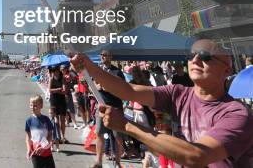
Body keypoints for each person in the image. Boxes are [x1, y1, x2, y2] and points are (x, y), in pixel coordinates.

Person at [71, 39, 253, 168]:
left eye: (205, 56)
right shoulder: (177, 92)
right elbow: (129, 91)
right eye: (192, 54)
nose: (196, 60)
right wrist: (89, 67)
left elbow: (197, 156)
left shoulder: (237, 114)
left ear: (226, 69)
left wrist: (127, 126)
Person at [25, 95, 57, 168]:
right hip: (35, 152)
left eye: (35, 106)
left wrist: (44, 147)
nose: (32, 107)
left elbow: (50, 135)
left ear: (41, 106)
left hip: (46, 151)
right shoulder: (29, 120)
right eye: (31, 105)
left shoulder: (46, 119)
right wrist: (29, 149)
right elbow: (28, 137)